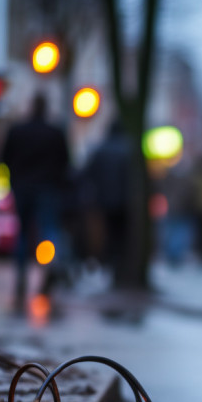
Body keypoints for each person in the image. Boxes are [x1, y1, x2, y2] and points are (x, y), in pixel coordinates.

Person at [0, 93, 70, 310]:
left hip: (22, 187)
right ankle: (50, 269)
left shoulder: (17, 131)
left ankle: (20, 277)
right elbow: (66, 162)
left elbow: (3, 158)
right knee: (49, 231)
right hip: (47, 188)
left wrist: (14, 178)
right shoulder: (55, 133)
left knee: (22, 233)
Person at [78, 119, 131, 283]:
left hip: (104, 200)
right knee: (122, 235)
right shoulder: (129, 150)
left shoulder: (101, 149)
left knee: (107, 234)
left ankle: (109, 265)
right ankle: (119, 266)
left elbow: (86, 174)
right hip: (124, 201)